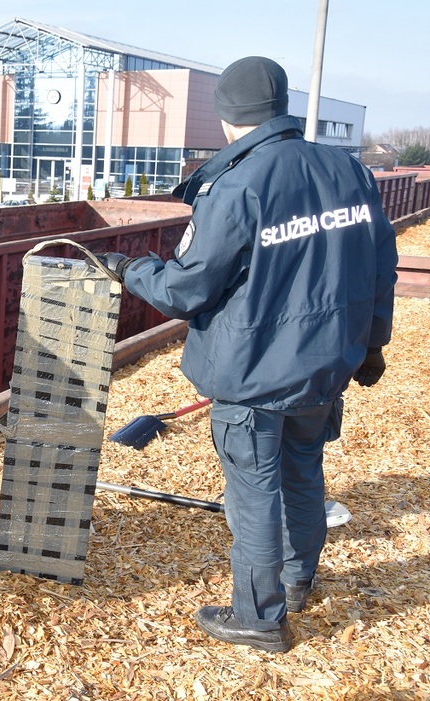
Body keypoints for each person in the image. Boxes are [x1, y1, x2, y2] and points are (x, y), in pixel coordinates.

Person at [97, 56, 397, 652]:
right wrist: (371, 344)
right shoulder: (348, 172)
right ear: (279, 105)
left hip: (254, 374)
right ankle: (298, 581)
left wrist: (133, 270)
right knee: (303, 471)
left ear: (228, 117)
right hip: (323, 365)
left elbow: (187, 289)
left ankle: (259, 618)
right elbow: (380, 265)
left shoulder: (236, 185)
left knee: (255, 493)